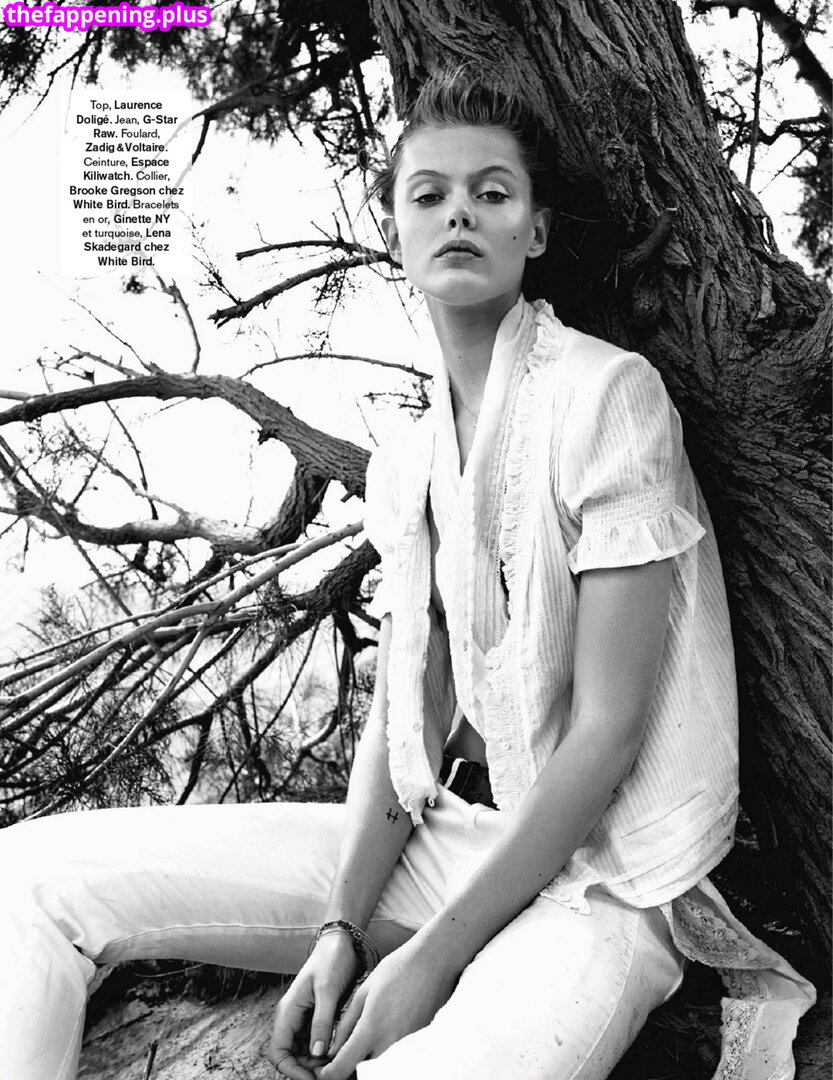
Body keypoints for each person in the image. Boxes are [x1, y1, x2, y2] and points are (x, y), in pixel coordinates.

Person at [0, 67, 815, 1080]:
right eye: (428, 194)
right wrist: (340, 930)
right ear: (395, 233)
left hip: (601, 885)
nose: (458, 212)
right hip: (448, 839)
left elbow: (607, 732)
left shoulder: (608, 395)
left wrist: (429, 961)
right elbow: (400, 718)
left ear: (534, 232)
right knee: (29, 875)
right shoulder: (405, 464)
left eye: (491, 192)